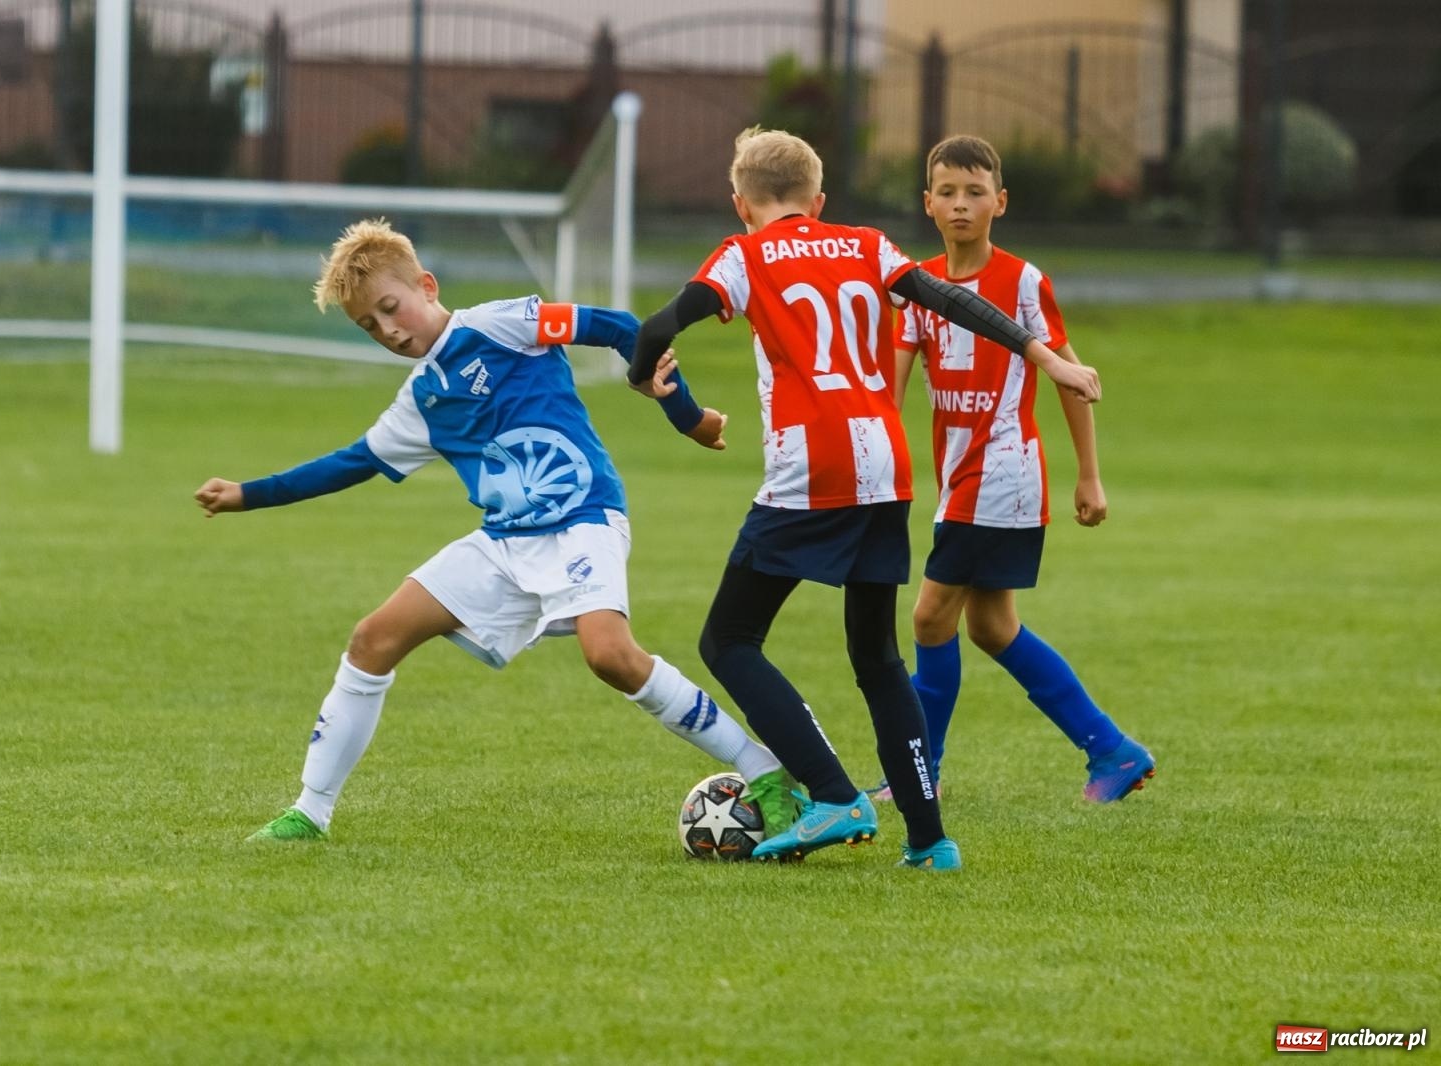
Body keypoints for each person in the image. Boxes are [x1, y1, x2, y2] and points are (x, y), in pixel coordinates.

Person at [195, 217, 797, 843]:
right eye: (369, 325)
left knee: (610, 656)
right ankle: (310, 811)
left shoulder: (500, 323)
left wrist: (687, 416)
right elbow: (352, 463)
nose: (388, 330)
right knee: (373, 638)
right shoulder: (421, 401)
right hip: (505, 542)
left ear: (427, 286)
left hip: (583, 518)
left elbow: (622, 328)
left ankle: (764, 769)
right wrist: (247, 495)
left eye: (390, 308)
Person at [628, 128, 1102, 869]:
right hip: (885, 463)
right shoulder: (867, 245)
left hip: (810, 467)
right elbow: (952, 300)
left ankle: (833, 794)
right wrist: (1045, 356)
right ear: (818, 201)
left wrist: (655, 388)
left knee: (729, 640)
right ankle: (929, 840)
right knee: (878, 656)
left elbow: (659, 327)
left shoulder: (742, 254)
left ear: (740, 204)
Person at [881, 134, 1154, 804]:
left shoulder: (1023, 281)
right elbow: (891, 389)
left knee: (930, 618)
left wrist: (1088, 474)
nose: (961, 204)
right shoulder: (915, 287)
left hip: (1002, 473)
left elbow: (1069, 377)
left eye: (975, 192)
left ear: (999, 202)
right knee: (991, 627)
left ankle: (919, 775)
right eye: (947, 192)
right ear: (927, 203)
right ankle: (1113, 750)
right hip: (960, 478)